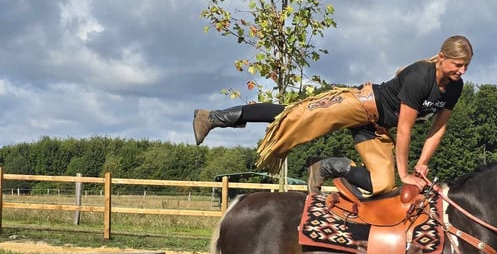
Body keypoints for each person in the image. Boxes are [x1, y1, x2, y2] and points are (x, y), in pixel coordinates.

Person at [192, 35, 473, 195]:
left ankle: (325, 166)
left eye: (466, 66)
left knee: (383, 185)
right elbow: (405, 129)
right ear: (442, 57)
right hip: (363, 104)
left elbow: (438, 129)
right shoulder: (421, 76)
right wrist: (406, 173)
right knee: (295, 116)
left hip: (375, 129)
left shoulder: (454, 88)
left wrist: (422, 165)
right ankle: (213, 117)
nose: (461, 71)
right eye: (458, 65)